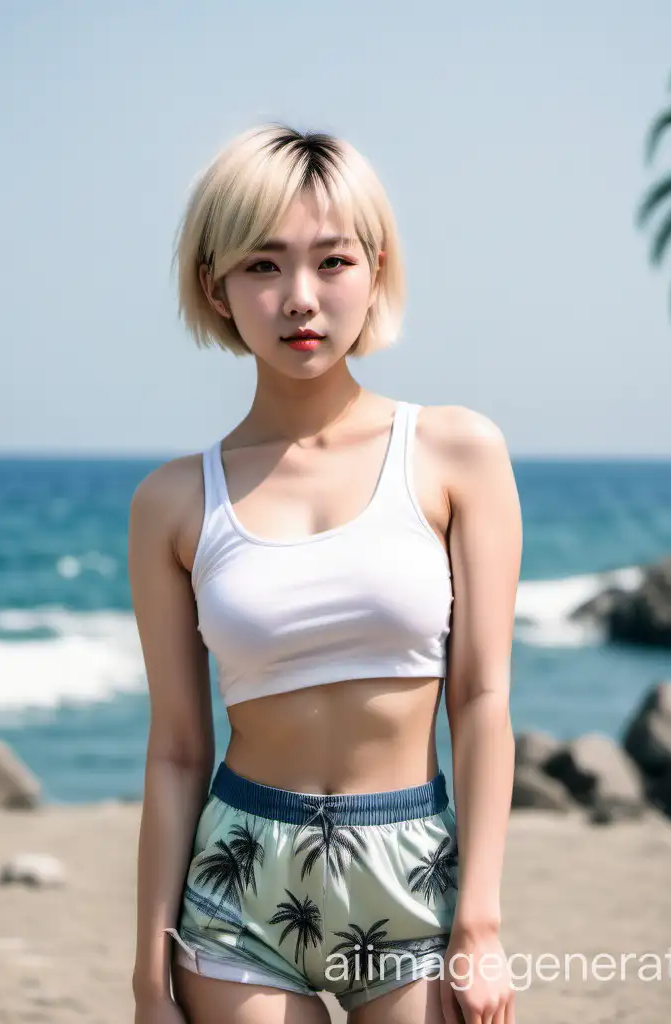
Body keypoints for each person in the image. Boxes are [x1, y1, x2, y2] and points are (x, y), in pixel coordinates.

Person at [127, 123, 522, 1024]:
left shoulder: (456, 452)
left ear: (375, 270)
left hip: (412, 871)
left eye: (332, 262)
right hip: (237, 882)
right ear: (214, 287)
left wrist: (483, 922)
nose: (299, 298)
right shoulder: (175, 501)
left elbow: (482, 698)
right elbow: (178, 749)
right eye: (262, 266)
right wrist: (150, 977)